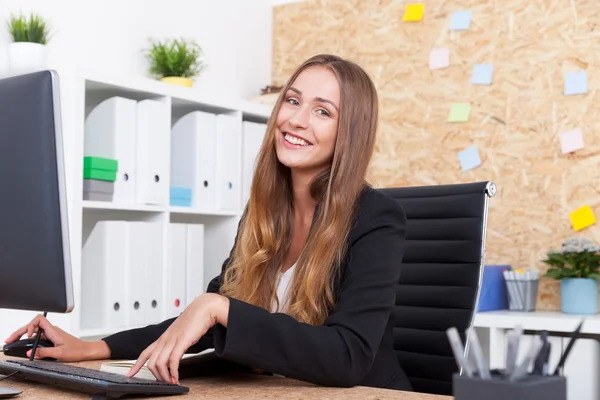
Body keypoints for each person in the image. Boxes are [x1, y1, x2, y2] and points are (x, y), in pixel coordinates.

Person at [5, 54, 412, 391]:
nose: (297, 120)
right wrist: (94, 347)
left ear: (349, 133)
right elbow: (201, 324)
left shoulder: (376, 218)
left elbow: (348, 356)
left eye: (322, 111)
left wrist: (219, 307)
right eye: (292, 101)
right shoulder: (264, 212)